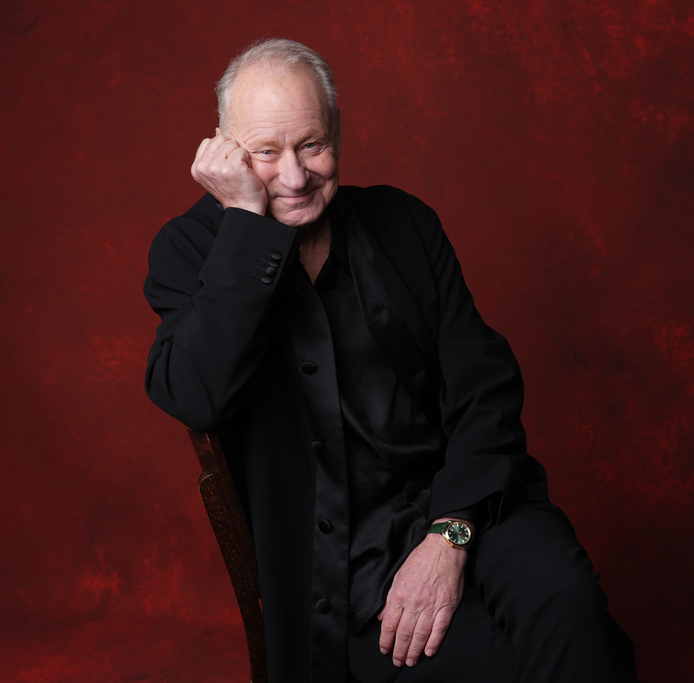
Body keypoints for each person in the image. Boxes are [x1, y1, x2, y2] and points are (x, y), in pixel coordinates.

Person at [144, 38, 638, 683]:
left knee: (574, 616)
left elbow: (484, 389)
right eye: (265, 153)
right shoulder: (189, 249)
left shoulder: (404, 221)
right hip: (342, 565)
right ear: (225, 151)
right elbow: (193, 395)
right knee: (497, 666)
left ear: (339, 132)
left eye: (312, 145)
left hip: (470, 507)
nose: (294, 177)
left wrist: (449, 535)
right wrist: (245, 218)